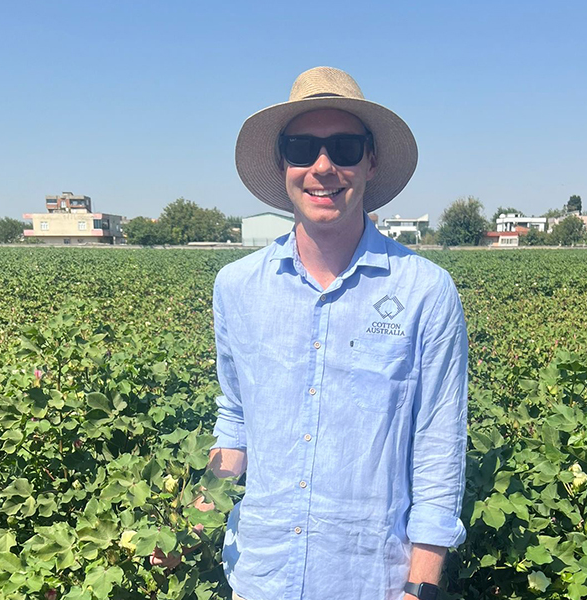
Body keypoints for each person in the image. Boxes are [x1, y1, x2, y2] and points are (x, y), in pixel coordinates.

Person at [156, 66, 468, 600]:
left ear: (371, 161)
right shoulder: (236, 286)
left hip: (372, 581)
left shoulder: (425, 291)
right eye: (302, 148)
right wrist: (190, 513)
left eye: (344, 147)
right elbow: (235, 419)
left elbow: (439, 446)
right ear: (283, 164)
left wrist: (423, 585)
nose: (323, 167)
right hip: (261, 575)